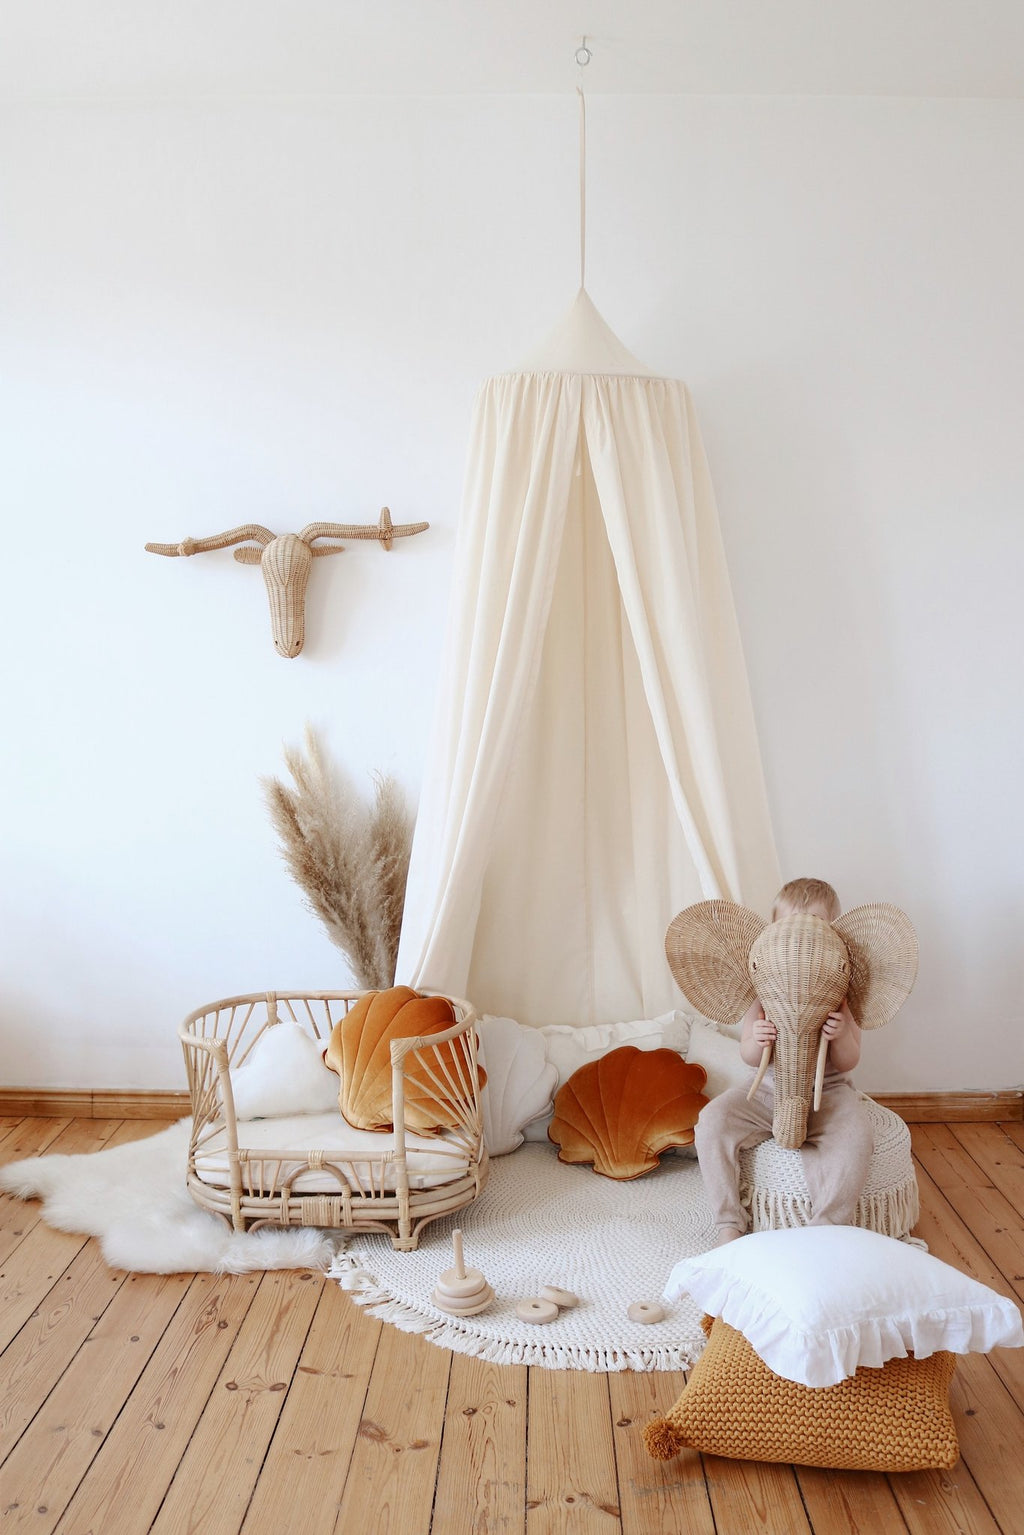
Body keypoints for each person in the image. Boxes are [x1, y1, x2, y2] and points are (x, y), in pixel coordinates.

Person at [693, 877, 875, 1244]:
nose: (801, 942)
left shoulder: (841, 996)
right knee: (711, 1121)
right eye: (789, 929)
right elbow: (748, 1054)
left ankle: (828, 1226)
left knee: (857, 1136)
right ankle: (729, 1220)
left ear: (835, 937)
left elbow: (850, 1060)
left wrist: (839, 1034)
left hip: (830, 1092)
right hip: (768, 1090)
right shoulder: (761, 992)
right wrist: (757, 1041)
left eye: (816, 928)